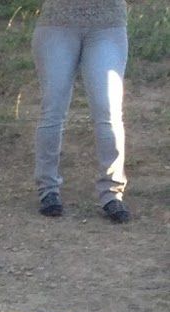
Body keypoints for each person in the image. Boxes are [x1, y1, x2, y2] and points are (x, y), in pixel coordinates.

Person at [33, 1, 131, 221]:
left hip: (108, 24)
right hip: (57, 22)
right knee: (53, 108)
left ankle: (112, 193)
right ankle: (48, 189)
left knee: (109, 109)